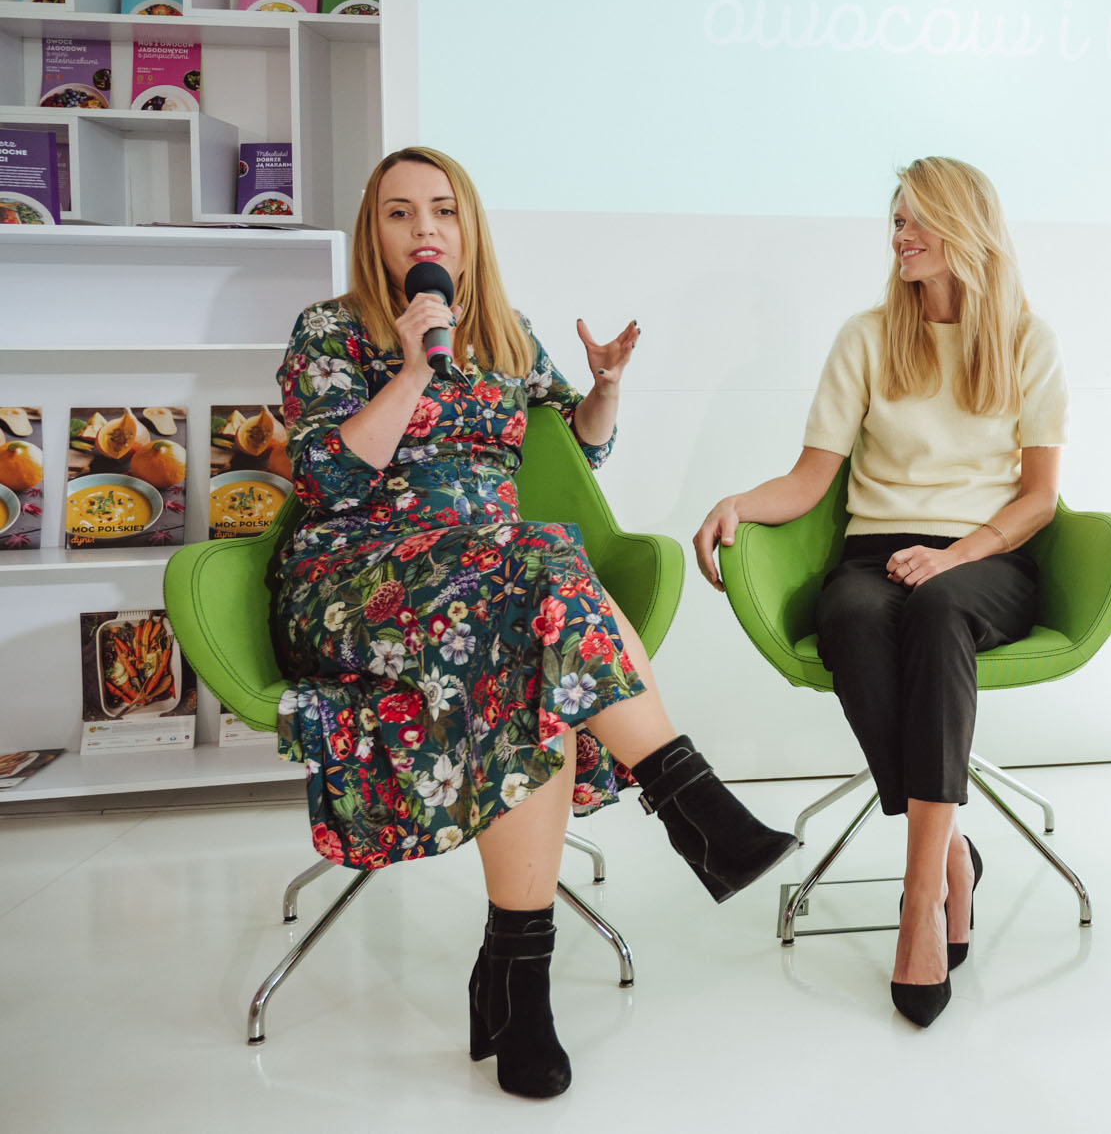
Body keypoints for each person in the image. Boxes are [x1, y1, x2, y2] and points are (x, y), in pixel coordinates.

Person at [272, 147, 796, 1098]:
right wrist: (412, 366)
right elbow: (324, 479)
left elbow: (577, 449)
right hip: (358, 583)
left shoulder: (506, 334)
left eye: (443, 209)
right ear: (373, 232)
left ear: (468, 226)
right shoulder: (331, 330)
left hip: (491, 588)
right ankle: (691, 803)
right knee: (538, 558)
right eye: (400, 212)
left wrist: (604, 389)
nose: (424, 228)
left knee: (530, 642)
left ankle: (520, 983)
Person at [694, 156, 1066, 1028]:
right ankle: (951, 858)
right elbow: (809, 478)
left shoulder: (1027, 338)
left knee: (936, 609)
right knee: (852, 615)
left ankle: (918, 896)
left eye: (918, 220)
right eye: (897, 221)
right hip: (875, 551)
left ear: (965, 228)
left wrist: (956, 554)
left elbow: (1040, 498)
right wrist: (735, 503)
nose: (901, 236)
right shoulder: (866, 337)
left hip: (988, 556)